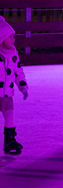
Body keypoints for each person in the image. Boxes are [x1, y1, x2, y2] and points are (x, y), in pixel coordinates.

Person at [0, 16, 28, 154]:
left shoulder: (13, 53)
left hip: (7, 95)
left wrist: (22, 86)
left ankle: (10, 140)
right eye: (10, 37)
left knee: (10, 117)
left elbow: (18, 71)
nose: (13, 39)